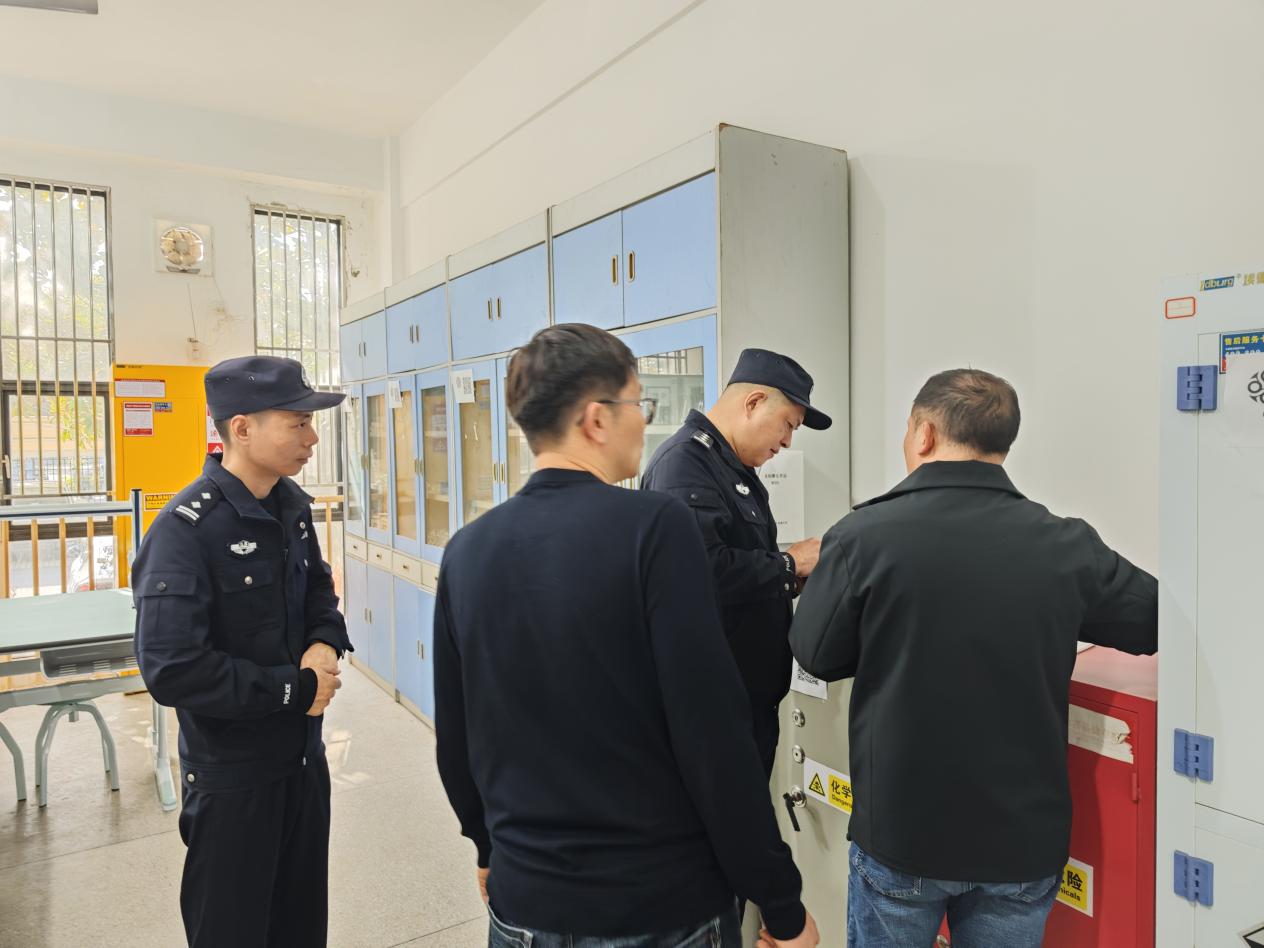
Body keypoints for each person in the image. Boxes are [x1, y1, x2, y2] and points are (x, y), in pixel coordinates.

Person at [433, 324, 818, 948]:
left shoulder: (467, 550)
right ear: (596, 419)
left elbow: (457, 735)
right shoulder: (655, 528)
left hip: (523, 899)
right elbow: (713, 736)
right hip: (654, 904)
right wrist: (781, 901)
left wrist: (487, 847)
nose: (646, 421)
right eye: (641, 404)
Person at [788, 368, 1158, 948]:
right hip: (1020, 843)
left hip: (904, 833)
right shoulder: (1067, 544)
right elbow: (1153, 620)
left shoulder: (863, 535)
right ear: (1002, 443)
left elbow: (815, 653)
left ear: (924, 433)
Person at [132, 355, 352, 948]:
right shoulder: (183, 531)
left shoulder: (291, 507)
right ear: (242, 428)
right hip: (234, 781)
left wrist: (323, 644)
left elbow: (319, 592)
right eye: (297, 422)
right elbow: (173, 670)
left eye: (311, 422)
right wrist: (296, 689)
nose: (311, 437)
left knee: (300, 929)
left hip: (303, 765)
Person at [641, 349, 830, 776]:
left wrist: (791, 579)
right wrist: (788, 565)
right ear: (753, 402)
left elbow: (736, 565)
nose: (788, 442)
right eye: (788, 425)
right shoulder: (685, 466)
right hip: (708, 710)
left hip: (741, 704)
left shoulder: (729, 468)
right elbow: (698, 573)